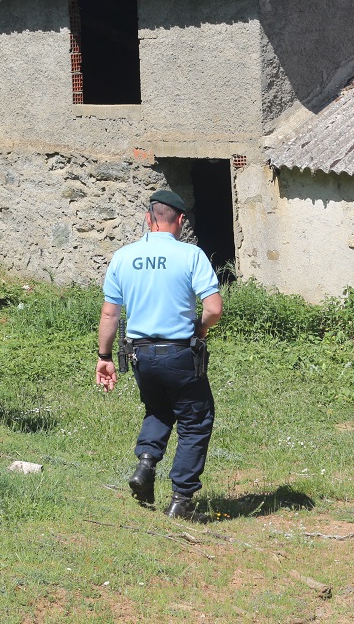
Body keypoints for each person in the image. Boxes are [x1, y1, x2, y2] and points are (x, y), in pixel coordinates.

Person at [96, 190, 222, 522]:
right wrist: (200, 330)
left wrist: (104, 356)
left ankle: (146, 464)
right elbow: (213, 309)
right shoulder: (191, 255)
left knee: (159, 409)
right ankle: (181, 499)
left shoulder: (123, 257)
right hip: (179, 354)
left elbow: (109, 314)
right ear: (180, 219)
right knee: (195, 420)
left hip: (139, 355)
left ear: (148, 218)